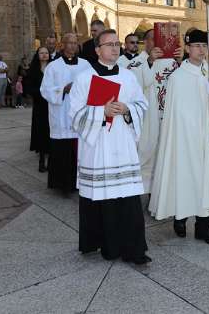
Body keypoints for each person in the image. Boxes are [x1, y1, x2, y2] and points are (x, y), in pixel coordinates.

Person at [149, 30, 209, 246]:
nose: (201, 50)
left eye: (205, 46)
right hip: (187, 140)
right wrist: (202, 94)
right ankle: (180, 217)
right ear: (188, 48)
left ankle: (203, 226)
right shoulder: (179, 77)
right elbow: (178, 113)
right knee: (187, 178)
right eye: (197, 45)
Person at [69, 29, 151, 265]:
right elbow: (74, 115)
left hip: (122, 143)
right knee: (102, 197)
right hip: (98, 147)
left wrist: (128, 109)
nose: (115, 48)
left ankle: (133, 249)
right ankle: (107, 245)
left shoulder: (128, 77)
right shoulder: (84, 78)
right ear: (97, 50)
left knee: (127, 197)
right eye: (109, 44)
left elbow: (141, 104)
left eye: (117, 43)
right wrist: (100, 111)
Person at [132, 28, 182, 192]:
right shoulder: (137, 62)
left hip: (169, 118)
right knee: (148, 155)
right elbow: (134, 83)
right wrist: (150, 62)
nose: (157, 43)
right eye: (153, 39)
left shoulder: (172, 62)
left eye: (161, 39)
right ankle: (143, 192)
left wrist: (182, 61)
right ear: (145, 42)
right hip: (148, 119)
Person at [41, 33, 91, 194]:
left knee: (79, 152)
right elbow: (45, 90)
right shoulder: (53, 67)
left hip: (79, 113)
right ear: (62, 45)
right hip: (61, 113)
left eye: (75, 43)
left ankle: (79, 183)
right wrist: (63, 89)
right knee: (62, 152)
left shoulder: (85, 65)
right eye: (69, 43)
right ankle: (61, 184)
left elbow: (93, 85)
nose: (72, 46)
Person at [27, 47, 51, 173]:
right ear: (38, 55)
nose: (44, 55)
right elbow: (29, 87)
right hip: (40, 105)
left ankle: (52, 161)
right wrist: (40, 92)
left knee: (51, 131)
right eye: (41, 53)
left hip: (52, 105)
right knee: (41, 132)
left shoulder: (53, 68)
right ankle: (42, 161)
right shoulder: (33, 70)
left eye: (46, 53)